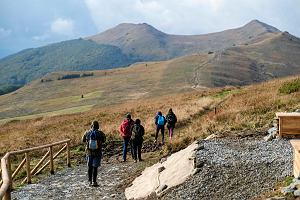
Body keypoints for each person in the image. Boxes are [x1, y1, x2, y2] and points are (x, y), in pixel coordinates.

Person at [82, 121, 106, 187]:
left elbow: (83, 140)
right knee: (95, 167)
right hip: (97, 152)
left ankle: (89, 181)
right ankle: (94, 181)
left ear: (91, 126)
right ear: (98, 126)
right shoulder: (100, 133)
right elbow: (104, 140)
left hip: (89, 152)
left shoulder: (87, 132)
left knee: (89, 166)